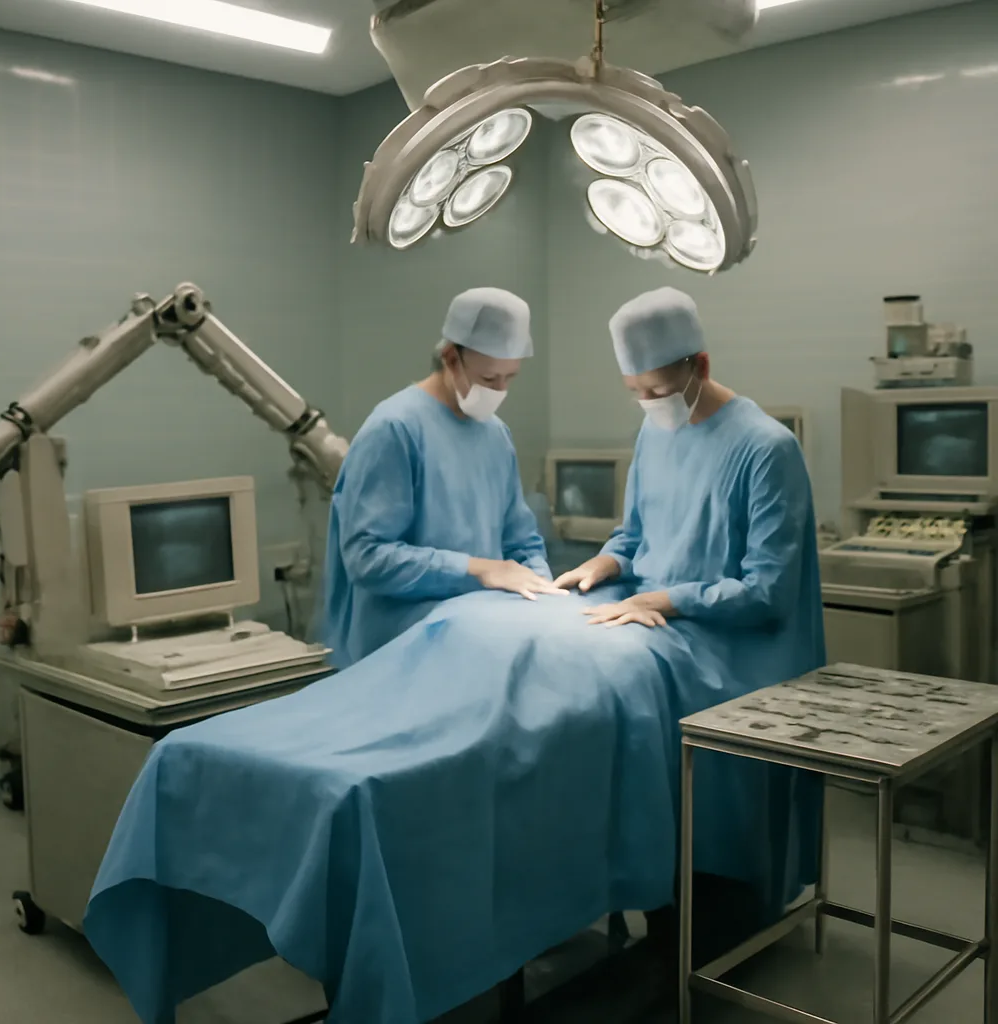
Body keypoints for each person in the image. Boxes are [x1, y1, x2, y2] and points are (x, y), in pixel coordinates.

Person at [556, 286, 825, 955]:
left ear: (698, 365)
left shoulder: (766, 450)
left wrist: (667, 600)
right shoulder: (656, 431)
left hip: (739, 656)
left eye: (656, 389)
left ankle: (714, 901)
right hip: (661, 626)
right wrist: (605, 566)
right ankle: (633, 877)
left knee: (663, 734)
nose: (647, 404)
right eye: (635, 391)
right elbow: (635, 534)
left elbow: (768, 592)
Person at [321, 287, 562, 669]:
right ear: (451, 358)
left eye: (509, 378)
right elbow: (368, 559)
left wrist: (540, 591)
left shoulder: (495, 433)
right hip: (400, 650)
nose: (499, 390)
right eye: (488, 378)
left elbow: (520, 540)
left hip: (479, 634)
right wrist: (480, 570)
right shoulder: (394, 429)